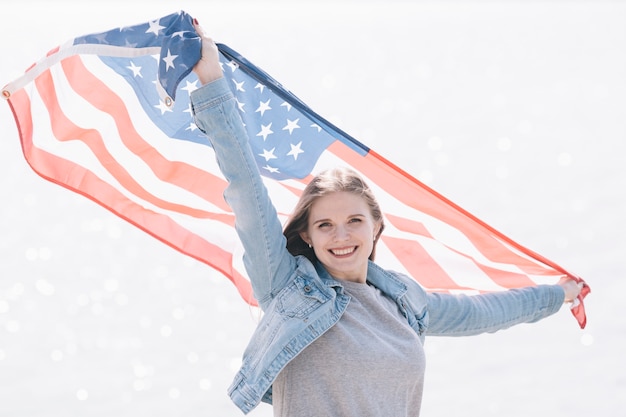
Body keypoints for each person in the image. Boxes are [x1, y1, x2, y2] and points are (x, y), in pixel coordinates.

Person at [189, 21, 583, 416]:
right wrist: (212, 81)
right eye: (324, 225)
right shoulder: (286, 286)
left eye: (354, 221)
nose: (341, 236)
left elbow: (483, 314)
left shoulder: (404, 303)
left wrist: (558, 294)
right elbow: (247, 188)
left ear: (377, 227)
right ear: (307, 235)